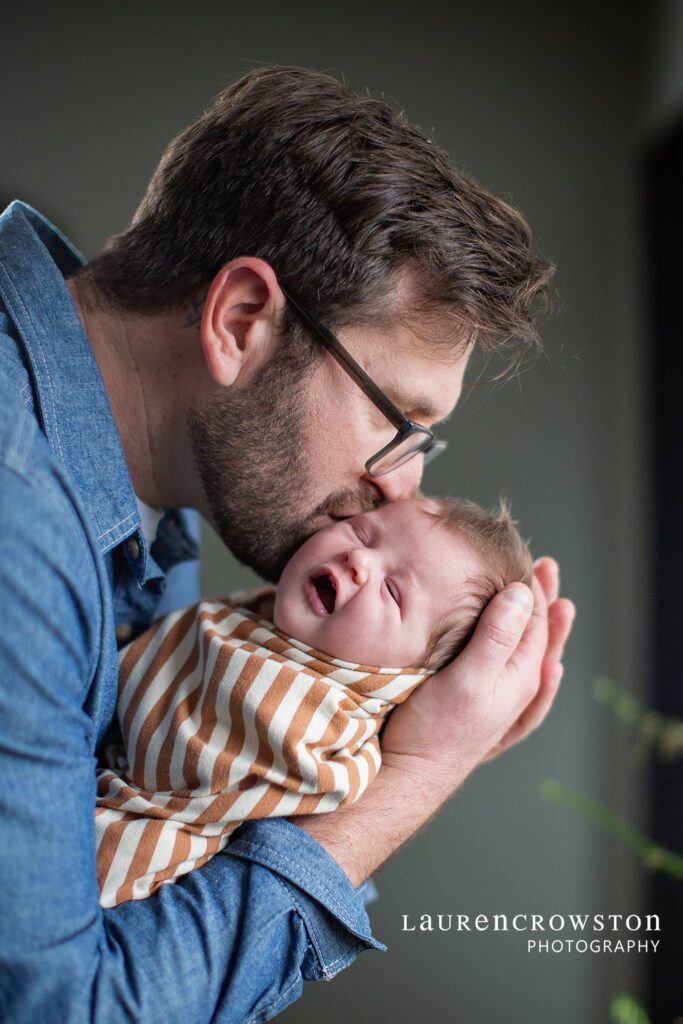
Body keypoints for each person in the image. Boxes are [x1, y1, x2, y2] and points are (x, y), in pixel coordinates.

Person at [0, 65, 574, 1023]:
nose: (401, 485)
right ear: (241, 321)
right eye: (399, 420)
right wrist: (418, 771)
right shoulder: (20, 517)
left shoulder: (154, 505)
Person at [96, 495, 533, 908]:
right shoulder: (257, 620)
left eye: (394, 593)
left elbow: (184, 745)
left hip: (127, 864)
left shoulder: (320, 725)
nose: (359, 561)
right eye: (362, 532)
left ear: (402, 679)